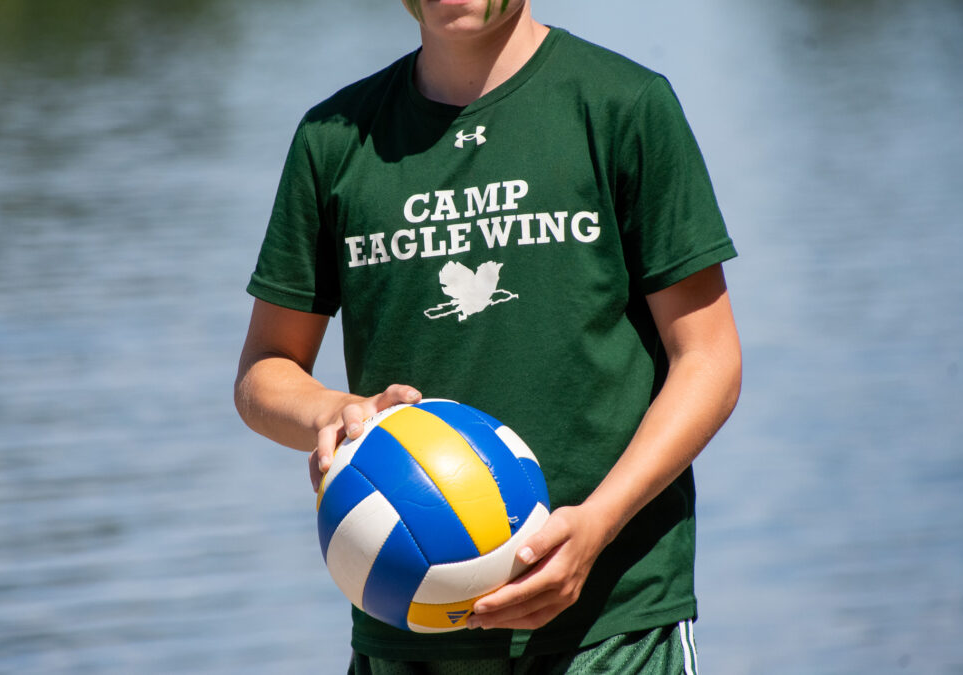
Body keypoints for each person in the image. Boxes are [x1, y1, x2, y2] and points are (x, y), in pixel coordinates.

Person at [234, 0, 742, 672]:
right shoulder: (335, 138)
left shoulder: (623, 104)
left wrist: (597, 524)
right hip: (408, 628)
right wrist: (336, 413)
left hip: (612, 622)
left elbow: (709, 358)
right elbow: (265, 369)